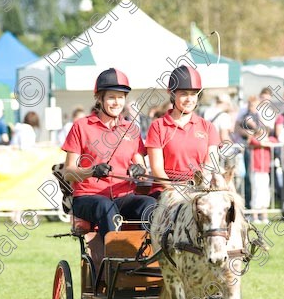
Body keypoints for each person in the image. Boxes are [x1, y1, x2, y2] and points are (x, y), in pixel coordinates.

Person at [62, 68, 156, 238]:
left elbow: (142, 168)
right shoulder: (81, 127)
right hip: (88, 198)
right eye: (111, 97)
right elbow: (68, 172)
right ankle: (114, 256)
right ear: (100, 98)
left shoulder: (132, 129)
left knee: (150, 203)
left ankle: (149, 255)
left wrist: (140, 171)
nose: (116, 102)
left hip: (123, 197)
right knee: (105, 206)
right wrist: (92, 171)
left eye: (120, 97)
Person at [145, 65, 220, 194]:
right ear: (173, 95)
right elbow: (157, 168)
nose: (189, 99)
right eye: (184, 94)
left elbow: (211, 164)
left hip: (198, 188)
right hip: (166, 190)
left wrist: (199, 187)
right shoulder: (157, 126)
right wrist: (173, 189)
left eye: (193, 94)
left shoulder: (208, 127)